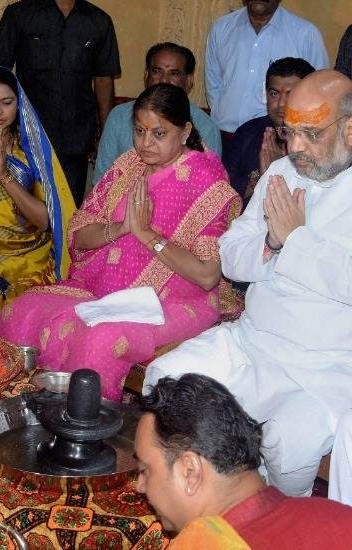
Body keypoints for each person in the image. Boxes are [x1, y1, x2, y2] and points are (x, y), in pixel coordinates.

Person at [145, 70, 352, 499]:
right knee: (163, 380)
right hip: (251, 341)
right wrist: (272, 242)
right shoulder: (282, 171)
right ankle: (212, 498)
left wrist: (295, 240)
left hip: (324, 366)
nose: (295, 147)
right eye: (289, 131)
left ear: (349, 129)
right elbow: (231, 256)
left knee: (286, 445)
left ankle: (273, 515)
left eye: (310, 134)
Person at [0, 83, 241, 402]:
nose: (145, 143)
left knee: (99, 339)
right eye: (139, 131)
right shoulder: (128, 166)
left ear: (184, 132)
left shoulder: (207, 183)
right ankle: (29, 409)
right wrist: (122, 227)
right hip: (101, 288)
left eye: (159, 134)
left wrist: (148, 235)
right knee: (19, 310)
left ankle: (83, 425)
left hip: (174, 300)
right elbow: (80, 232)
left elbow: (208, 276)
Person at [137, 374, 352, 549]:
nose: (139, 486)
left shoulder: (200, 545)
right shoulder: (340, 517)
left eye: (145, 470)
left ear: (190, 471)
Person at [0, 66, 75, 334]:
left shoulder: (31, 149)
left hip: (30, 259)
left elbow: (44, 220)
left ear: (19, 105)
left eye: (6, 102)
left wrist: (6, 177)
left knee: (26, 317)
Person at [0, 0, 120, 205]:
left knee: (68, 210)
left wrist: (106, 133)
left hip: (76, 140)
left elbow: (103, 80)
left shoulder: (99, 21)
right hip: (27, 137)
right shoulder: (19, 14)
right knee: (25, 210)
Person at [206, 0, 328, 158]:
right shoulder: (221, 28)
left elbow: (318, 93)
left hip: (275, 143)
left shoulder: (305, 34)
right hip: (223, 138)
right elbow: (213, 86)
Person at [93, 42, 222, 184]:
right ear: (146, 75)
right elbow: (101, 180)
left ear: (189, 81)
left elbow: (208, 182)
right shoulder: (119, 116)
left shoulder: (205, 126)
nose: (164, 80)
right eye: (157, 71)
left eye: (174, 73)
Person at [223, 57, 315, 203]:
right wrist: (259, 178)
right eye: (274, 94)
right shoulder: (247, 133)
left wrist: (281, 170)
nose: (281, 104)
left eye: (291, 94)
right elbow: (223, 193)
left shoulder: (319, 141)